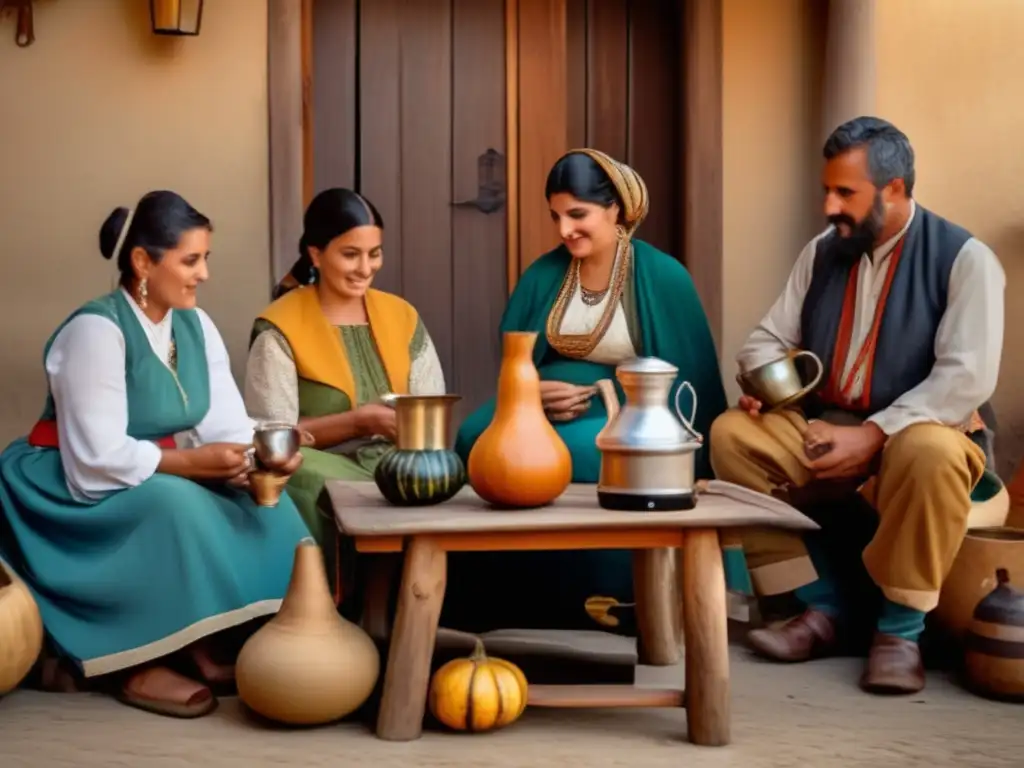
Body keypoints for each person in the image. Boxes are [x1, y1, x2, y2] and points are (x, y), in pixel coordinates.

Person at [709, 117, 1006, 694]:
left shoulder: (966, 259)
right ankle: (820, 609)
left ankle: (899, 632)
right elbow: (765, 339)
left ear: (894, 188)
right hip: (827, 430)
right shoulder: (824, 252)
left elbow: (964, 378)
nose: (829, 205)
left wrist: (874, 435)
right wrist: (772, 388)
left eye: (846, 192)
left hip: (919, 437)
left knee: (930, 450)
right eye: (827, 189)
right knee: (732, 435)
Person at [0, 191, 311, 718]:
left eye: (205, 258)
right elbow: (95, 457)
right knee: (176, 504)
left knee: (268, 503)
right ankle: (137, 659)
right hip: (64, 482)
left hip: (146, 470)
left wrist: (259, 462)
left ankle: (215, 639)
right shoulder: (95, 330)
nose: (204, 273)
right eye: (191, 260)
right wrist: (192, 465)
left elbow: (225, 425)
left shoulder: (195, 325)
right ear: (143, 261)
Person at [448, 148, 727, 633]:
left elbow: (690, 379)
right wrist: (531, 394)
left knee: (577, 452)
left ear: (615, 209)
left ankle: (603, 599)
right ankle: (490, 596)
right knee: (475, 437)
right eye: (556, 216)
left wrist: (609, 395)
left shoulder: (662, 276)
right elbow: (515, 360)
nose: (564, 230)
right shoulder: (545, 273)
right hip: (536, 405)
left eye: (578, 215)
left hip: (629, 412)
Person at [244, 188, 446, 586]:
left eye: (375, 253)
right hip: (320, 460)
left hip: (398, 462)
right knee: (309, 478)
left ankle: (421, 610)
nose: (365, 268)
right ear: (316, 254)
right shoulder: (279, 328)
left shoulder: (402, 316)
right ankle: (332, 609)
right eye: (350, 254)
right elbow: (272, 441)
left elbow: (432, 409)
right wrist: (358, 422)